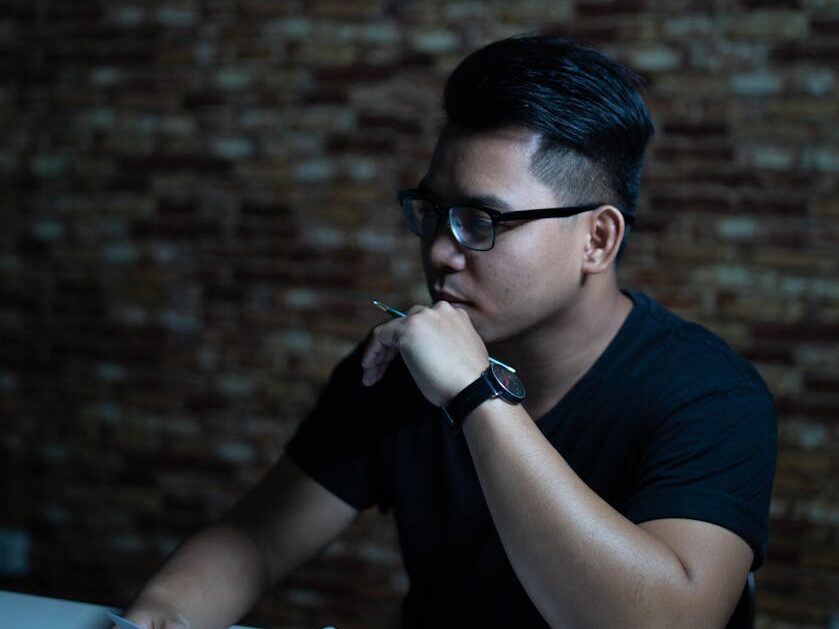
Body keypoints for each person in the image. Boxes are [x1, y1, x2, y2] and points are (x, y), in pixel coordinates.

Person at [119, 35, 776, 629]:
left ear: (596, 239)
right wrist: (162, 612)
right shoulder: (401, 367)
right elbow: (258, 541)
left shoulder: (708, 395)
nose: (438, 250)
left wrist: (473, 395)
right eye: (433, 212)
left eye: (481, 220)